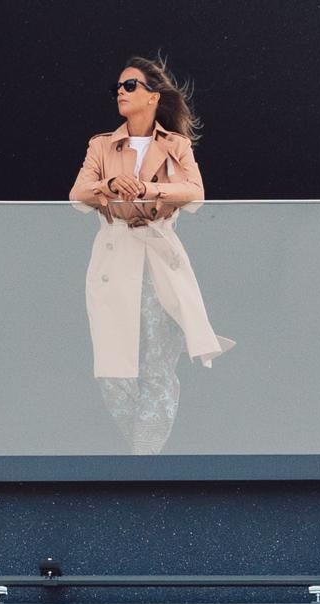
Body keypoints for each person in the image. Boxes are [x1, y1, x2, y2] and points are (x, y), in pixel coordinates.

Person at [70, 57, 230, 453]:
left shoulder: (176, 146)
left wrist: (147, 189)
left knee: (159, 366)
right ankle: (142, 455)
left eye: (130, 86)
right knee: (112, 371)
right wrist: (109, 182)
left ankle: (144, 459)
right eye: (118, 88)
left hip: (159, 259)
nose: (120, 93)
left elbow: (195, 192)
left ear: (153, 97)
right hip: (114, 255)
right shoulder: (101, 145)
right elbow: (78, 194)